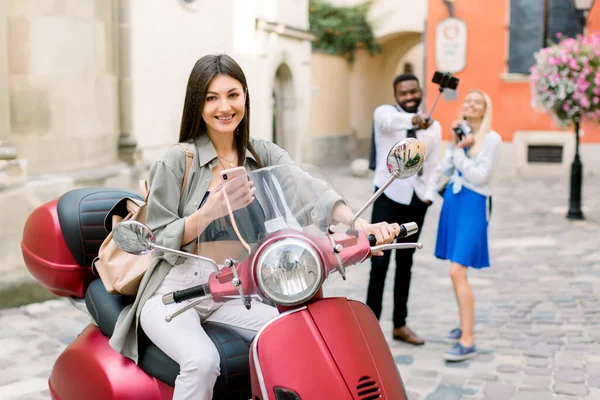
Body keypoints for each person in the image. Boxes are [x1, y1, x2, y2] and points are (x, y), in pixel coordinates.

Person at [108, 54, 401, 400]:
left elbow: (310, 189)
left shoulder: (262, 154)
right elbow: (157, 237)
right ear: (197, 104)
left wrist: (360, 224)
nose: (224, 107)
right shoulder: (177, 161)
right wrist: (211, 210)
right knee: (202, 363)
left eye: (233, 95)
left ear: (245, 96)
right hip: (174, 292)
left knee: (296, 336)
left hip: (236, 286)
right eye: (212, 97)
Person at [366, 73, 442, 345]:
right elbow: (390, 120)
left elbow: (434, 164)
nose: (409, 97)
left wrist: (429, 196)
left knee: (405, 264)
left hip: (416, 200)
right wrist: (413, 120)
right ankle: (370, 328)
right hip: (387, 196)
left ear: (420, 92)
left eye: (413, 92)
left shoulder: (433, 127)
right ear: (396, 95)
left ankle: (400, 324)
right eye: (404, 93)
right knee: (378, 262)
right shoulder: (385, 115)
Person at [434, 89, 501, 361]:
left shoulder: (492, 139)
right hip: (454, 201)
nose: (471, 105)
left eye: (478, 102)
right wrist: (453, 145)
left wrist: (460, 153)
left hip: (473, 204)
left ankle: (468, 340)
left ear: (485, 109)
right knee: (456, 271)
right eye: (468, 101)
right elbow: (446, 171)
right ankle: (464, 324)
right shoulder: (459, 135)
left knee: (457, 271)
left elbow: (481, 176)